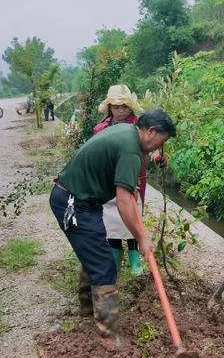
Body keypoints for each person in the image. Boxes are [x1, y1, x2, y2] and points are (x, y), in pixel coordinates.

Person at [49, 109, 176, 347]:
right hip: (74, 203)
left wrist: (141, 234)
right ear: (151, 131)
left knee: (94, 253)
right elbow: (124, 200)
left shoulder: (127, 133)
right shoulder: (131, 150)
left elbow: (128, 193)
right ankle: (108, 336)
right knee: (104, 264)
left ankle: (87, 309)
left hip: (82, 199)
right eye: (163, 140)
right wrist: (141, 238)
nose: (160, 146)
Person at [93, 85, 147, 276]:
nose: (121, 111)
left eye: (124, 106)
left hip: (133, 179)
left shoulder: (140, 126)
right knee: (111, 221)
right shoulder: (100, 129)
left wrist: (158, 158)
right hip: (109, 182)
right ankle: (115, 256)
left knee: (132, 217)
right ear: (110, 108)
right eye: (116, 107)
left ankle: (134, 258)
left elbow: (148, 147)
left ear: (130, 107)